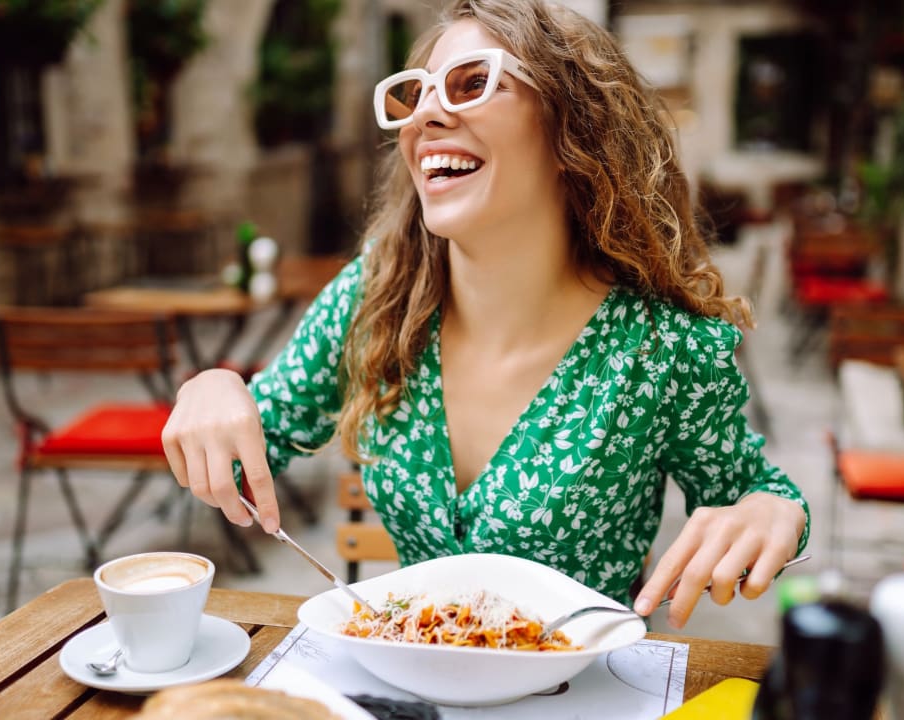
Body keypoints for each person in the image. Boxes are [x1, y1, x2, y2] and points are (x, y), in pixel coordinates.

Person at [162, 0, 809, 630]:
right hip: (406, 693)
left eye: (474, 84)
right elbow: (247, 454)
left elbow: (755, 494)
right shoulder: (374, 299)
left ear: (570, 129)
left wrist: (771, 511)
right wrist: (212, 390)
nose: (427, 117)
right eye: (414, 96)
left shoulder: (661, 348)